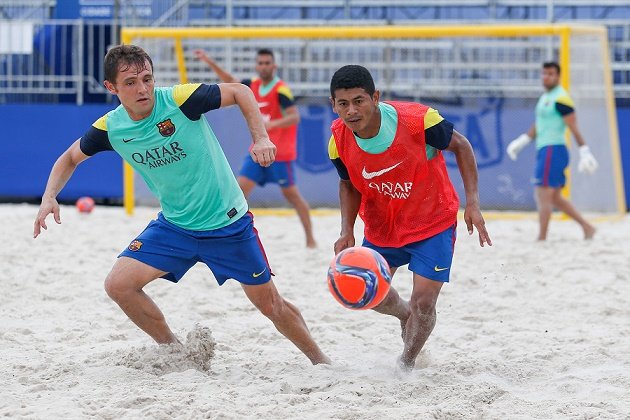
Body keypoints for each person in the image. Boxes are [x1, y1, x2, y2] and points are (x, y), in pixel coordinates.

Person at [33, 44, 329, 365]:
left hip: (228, 225)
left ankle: (320, 360)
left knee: (271, 305)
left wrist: (260, 137)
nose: (143, 88)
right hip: (175, 227)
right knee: (118, 285)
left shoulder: (179, 99)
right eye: (130, 82)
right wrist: (49, 196)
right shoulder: (111, 127)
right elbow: (69, 158)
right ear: (111, 87)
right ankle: (175, 349)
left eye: (147, 78)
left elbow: (242, 92)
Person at [327, 65, 491, 370]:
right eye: (343, 104)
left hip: (432, 223)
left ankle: (407, 361)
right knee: (367, 295)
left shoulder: (419, 120)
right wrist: (346, 229)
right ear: (333, 105)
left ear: (375, 97)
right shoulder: (338, 141)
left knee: (425, 303)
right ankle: (403, 314)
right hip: (382, 228)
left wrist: (473, 203)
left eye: (359, 101)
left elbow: (462, 146)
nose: (351, 111)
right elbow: (348, 184)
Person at [194, 48, 317, 248]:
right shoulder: (252, 85)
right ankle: (227, 238)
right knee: (237, 192)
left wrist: (272, 124)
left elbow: (295, 116)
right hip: (257, 151)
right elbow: (229, 80)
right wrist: (209, 61)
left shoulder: (280, 89)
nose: (263, 66)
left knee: (292, 196)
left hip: (280, 154)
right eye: (260, 63)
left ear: (274, 66)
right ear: (256, 65)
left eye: (267, 63)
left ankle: (310, 239)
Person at [507, 61, 598, 241]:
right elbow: (540, 124)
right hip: (545, 149)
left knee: (542, 194)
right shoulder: (545, 97)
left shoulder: (561, 98)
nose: (546, 77)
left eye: (550, 74)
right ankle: (588, 227)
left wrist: (585, 151)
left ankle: (542, 237)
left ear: (558, 76)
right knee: (555, 197)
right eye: (544, 73)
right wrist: (523, 141)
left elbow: (573, 126)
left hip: (553, 149)